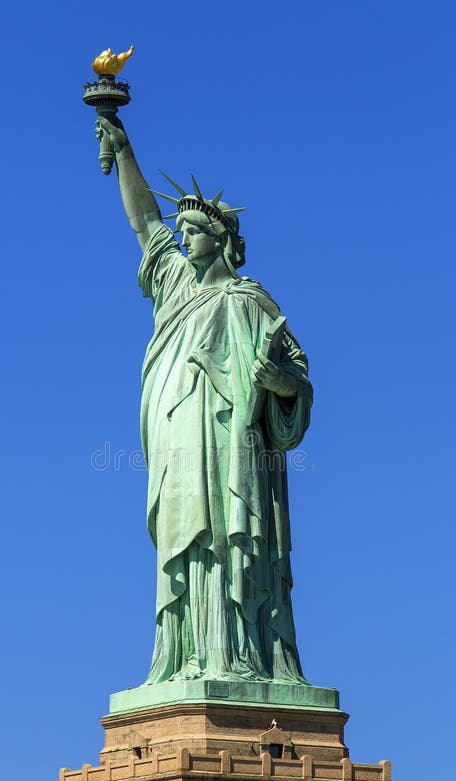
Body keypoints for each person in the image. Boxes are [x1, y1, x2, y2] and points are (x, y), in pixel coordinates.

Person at [97, 117, 313, 684]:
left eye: (192, 230)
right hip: (177, 445)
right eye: (183, 230)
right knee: (186, 540)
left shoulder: (251, 302)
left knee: (226, 540)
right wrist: (123, 151)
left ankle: (239, 655)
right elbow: (145, 223)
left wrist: (277, 382)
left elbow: (298, 379)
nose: (182, 236)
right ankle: (186, 657)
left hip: (232, 448)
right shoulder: (174, 288)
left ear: (218, 239)